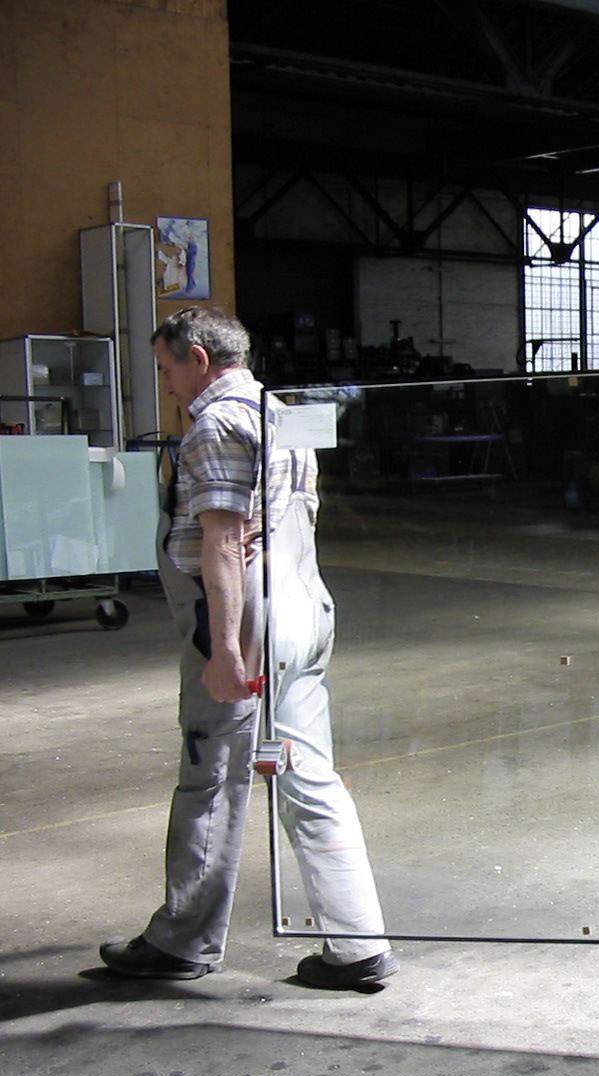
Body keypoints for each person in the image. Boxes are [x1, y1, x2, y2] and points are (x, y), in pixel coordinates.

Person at [100, 307, 396, 991]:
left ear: (199, 358)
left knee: (209, 780)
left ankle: (181, 941)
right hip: (303, 608)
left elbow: (226, 545)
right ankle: (358, 945)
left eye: (168, 368)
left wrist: (227, 651)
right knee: (310, 777)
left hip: (248, 624)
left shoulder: (215, 424)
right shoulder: (283, 414)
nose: (168, 384)